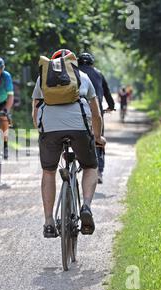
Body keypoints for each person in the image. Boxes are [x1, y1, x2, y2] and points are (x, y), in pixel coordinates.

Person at [32, 49, 106, 238]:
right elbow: (96, 114)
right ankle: (86, 206)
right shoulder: (82, 77)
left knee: (48, 171)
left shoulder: (43, 79)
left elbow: (35, 111)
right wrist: (97, 137)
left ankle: (49, 222)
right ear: (71, 63)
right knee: (90, 166)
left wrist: (42, 131)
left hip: (50, 129)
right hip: (79, 128)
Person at [78, 52, 115, 184]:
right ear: (92, 62)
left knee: (78, 135)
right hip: (96, 110)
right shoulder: (98, 73)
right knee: (98, 138)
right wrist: (111, 106)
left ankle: (79, 161)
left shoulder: (75, 72)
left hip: (78, 110)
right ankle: (99, 171)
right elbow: (107, 92)